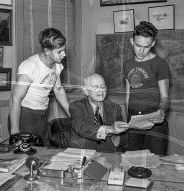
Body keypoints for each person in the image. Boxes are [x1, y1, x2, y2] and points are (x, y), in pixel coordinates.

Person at [9, 27, 70, 145]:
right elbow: (15, 98)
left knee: (45, 155)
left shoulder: (57, 65)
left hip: (42, 114)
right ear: (47, 51)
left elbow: (58, 90)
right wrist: (15, 131)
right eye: (59, 51)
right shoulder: (30, 66)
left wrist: (72, 113)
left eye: (64, 50)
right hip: (25, 115)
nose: (64, 54)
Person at [123, 21, 171, 155]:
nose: (142, 51)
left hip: (154, 118)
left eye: (146, 46)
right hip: (134, 117)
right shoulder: (127, 64)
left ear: (153, 43)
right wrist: (128, 121)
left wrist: (161, 112)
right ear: (132, 41)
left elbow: (165, 97)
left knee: (156, 162)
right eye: (138, 45)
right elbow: (128, 95)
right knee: (134, 160)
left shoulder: (160, 64)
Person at [69, 73, 128, 152]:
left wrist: (118, 138)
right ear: (86, 91)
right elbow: (81, 127)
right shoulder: (77, 106)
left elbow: (123, 137)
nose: (101, 91)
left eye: (103, 87)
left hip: (107, 154)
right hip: (83, 152)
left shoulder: (114, 107)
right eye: (96, 87)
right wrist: (110, 129)